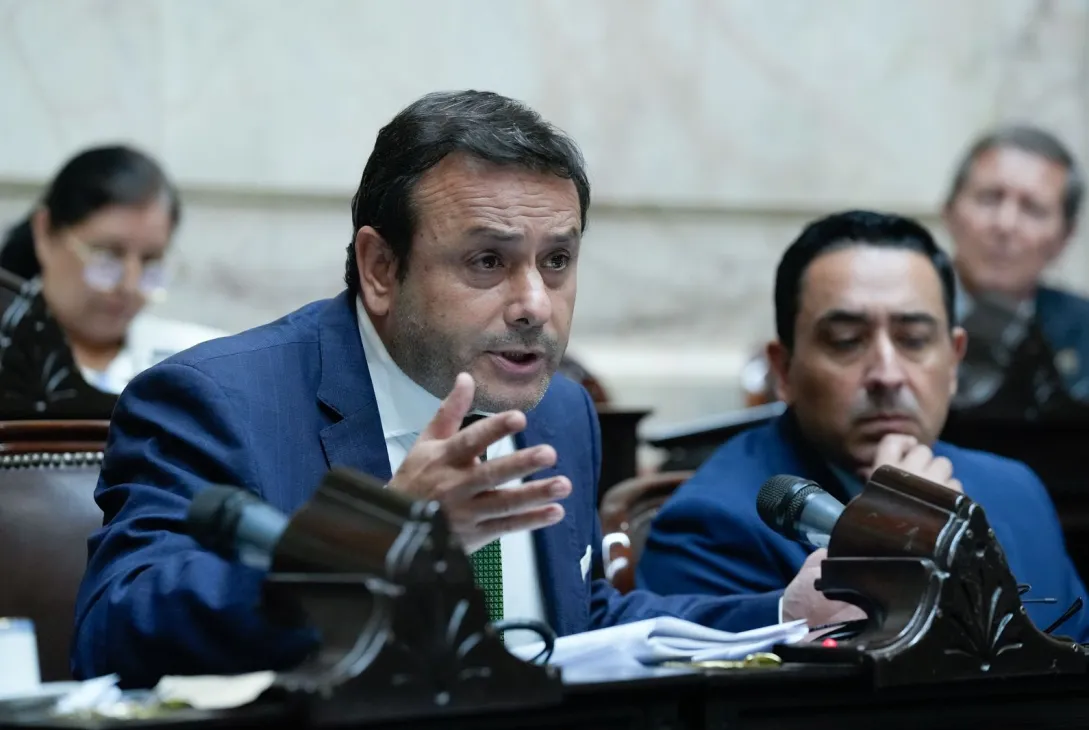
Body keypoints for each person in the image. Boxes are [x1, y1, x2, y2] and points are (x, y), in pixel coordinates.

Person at [73, 91, 788, 686]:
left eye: (557, 261)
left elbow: (580, 624)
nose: (535, 305)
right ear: (381, 268)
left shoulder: (560, 410)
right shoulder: (219, 402)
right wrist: (371, 541)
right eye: (487, 261)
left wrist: (786, 613)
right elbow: (114, 633)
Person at [637, 210, 1089, 641]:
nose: (887, 374)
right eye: (846, 341)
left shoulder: (1017, 492)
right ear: (784, 370)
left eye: (914, 340)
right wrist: (894, 543)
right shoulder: (712, 525)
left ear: (954, 362)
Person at [0, 145, 225, 394]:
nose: (129, 285)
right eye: (107, 256)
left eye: (151, 260)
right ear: (45, 233)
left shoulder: (199, 363)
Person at [944, 126, 1089, 400]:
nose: (1005, 225)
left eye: (1033, 209)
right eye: (989, 198)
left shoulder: (1084, 331)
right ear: (949, 212)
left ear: (1065, 237)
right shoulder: (894, 310)